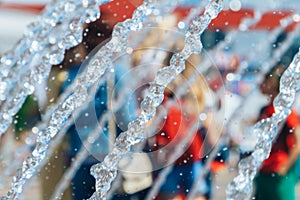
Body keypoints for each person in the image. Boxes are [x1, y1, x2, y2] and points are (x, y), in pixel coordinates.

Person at [254, 64, 300, 200]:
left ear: (273, 83)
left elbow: (298, 142)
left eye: (265, 80)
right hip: (263, 170)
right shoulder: (265, 110)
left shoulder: (286, 112)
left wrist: (285, 166)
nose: (261, 84)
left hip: (279, 171)